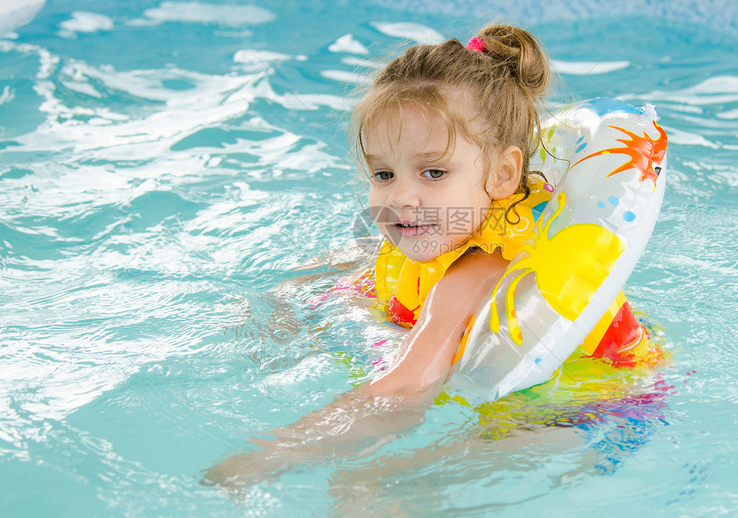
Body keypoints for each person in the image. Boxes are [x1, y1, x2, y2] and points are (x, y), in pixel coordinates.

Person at [204, 24, 652, 488]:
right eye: (383, 173)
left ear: (502, 175)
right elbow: (350, 264)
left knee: (367, 482)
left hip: (593, 417)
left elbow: (406, 389)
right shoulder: (441, 228)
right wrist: (281, 301)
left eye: (433, 172)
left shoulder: (483, 268)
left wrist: (264, 459)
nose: (401, 196)